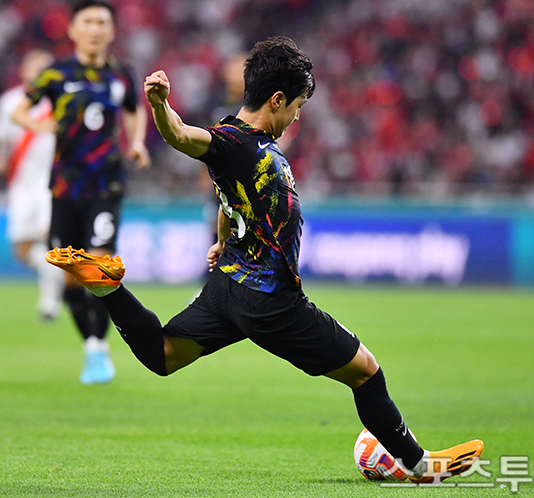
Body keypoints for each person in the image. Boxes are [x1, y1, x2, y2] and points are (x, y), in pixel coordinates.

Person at [45, 36, 483, 482]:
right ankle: (419, 465)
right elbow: (181, 135)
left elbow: (228, 195)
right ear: (276, 100)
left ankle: (109, 289)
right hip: (270, 300)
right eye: (297, 105)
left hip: (229, 286)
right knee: (366, 373)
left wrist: (223, 239)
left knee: (163, 354)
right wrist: (160, 106)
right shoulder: (235, 142)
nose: (297, 116)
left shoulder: (241, 138)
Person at [12, 0, 150, 385]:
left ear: (111, 31)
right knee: (71, 276)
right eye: (87, 21)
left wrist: (137, 142)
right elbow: (19, 110)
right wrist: (38, 126)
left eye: (102, 22)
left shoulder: (121, 74)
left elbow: (134, 109)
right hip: (65, 186)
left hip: (106, 185)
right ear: (72, 29)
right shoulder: (56, 74)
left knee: (98, 266)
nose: (95, 29)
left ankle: (99, 347)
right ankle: (92, 345)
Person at [0, 49, 65, 321]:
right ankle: (58, 279)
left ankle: (49, 304)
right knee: (22, 250)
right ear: (24, 71)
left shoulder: (61, 101)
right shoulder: (10, 101)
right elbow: (2, 139)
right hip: (21, 185)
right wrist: (0, 158)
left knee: (49, 242)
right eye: (35, 67)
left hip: (52, 184)